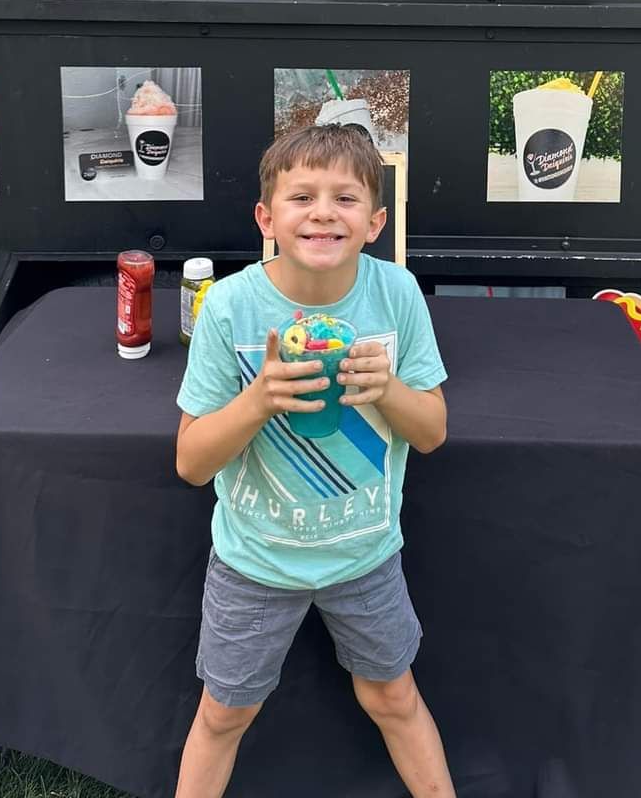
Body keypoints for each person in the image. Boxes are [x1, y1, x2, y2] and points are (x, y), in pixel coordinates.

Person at [175, 123, 455, 798]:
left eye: (346, 198)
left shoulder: (397, 296)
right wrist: (258, 400)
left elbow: (432, 433)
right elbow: (190, 462)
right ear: (266, 218)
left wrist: (386, 388)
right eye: (302, 196)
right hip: (255, 560)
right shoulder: (232, 308)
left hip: (365, 554)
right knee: (224, 711)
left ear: (375, 222)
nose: (324, 210)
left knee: (393, 697)